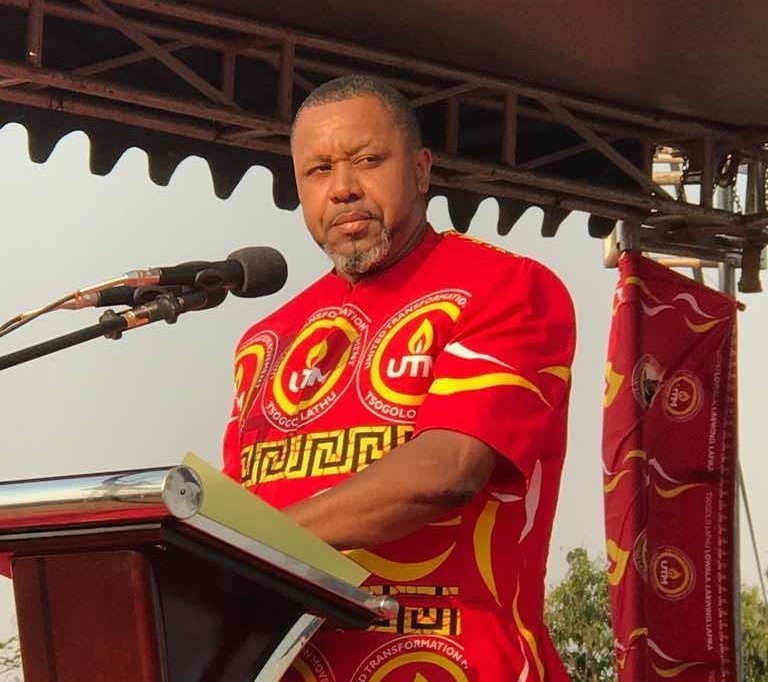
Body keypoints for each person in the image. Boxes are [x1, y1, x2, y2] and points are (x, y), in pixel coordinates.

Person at [222, 74, 576, 682]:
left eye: (367, 161)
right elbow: (231, 510)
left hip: (448, 660)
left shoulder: (505, 287)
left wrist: (252, 542)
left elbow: (446, 471)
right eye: (318, 170)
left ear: (420, 169)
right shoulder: (266, 339)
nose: (342, 188)